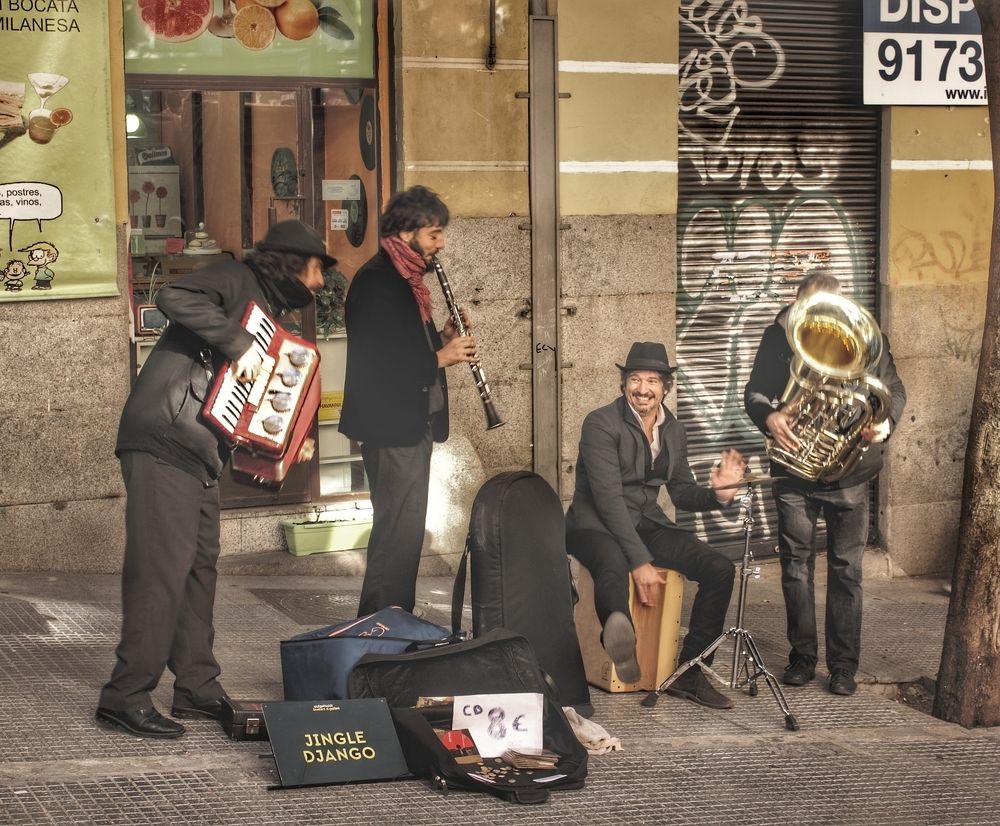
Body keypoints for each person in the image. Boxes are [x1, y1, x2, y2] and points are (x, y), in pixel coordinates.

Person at [97, 220, 333, 738]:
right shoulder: (236, 277)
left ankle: (197, 687)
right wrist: (236, 341)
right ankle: (125, 695)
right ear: (291, 263)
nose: (318, 284)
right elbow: (172, 293)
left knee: (199, 568)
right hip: (164, 436)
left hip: (198, 450)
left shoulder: (267, 311)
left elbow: (239, 399)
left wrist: (281, 444)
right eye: (316, 269)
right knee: (161, 569)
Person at [744, 272, 907, 696]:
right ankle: (802, 658)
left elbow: (893, 391)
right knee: (796, 568)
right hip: (794, 472)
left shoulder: (868, 342)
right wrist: (770, 417)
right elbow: (755, 393)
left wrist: (883, 424)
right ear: (796, 305)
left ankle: (843, 667)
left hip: (849, 474)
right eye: (808, 311)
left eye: (825, 312)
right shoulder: (777, 337)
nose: (815, 321)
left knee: (846, 570)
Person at [566, 341, 747, 710]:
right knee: (612, 560)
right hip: (592, 525)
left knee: (719, 568)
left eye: (652, 380)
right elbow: (608, 500)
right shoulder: (600, 423)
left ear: (666, 386)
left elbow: (680, 492)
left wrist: (719, 494)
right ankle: (618, 633)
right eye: (635, 379)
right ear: (623, 384)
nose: (642, 388)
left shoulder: (673, 430)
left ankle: (690, 674)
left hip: (647, 522)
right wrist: (640, 561)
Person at [338, 185, 478, 617]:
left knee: (404, 534)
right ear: (406, 232)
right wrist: (441, 356)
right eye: (434, 234)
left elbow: (402, 349)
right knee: (397, 536)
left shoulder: (406, 281)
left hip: (407, 425)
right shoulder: (380, 282)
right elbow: (381, 365)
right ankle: (380, 628)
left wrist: (442, 339)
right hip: (390, 426)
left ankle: (392, 621)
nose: (441, 244)